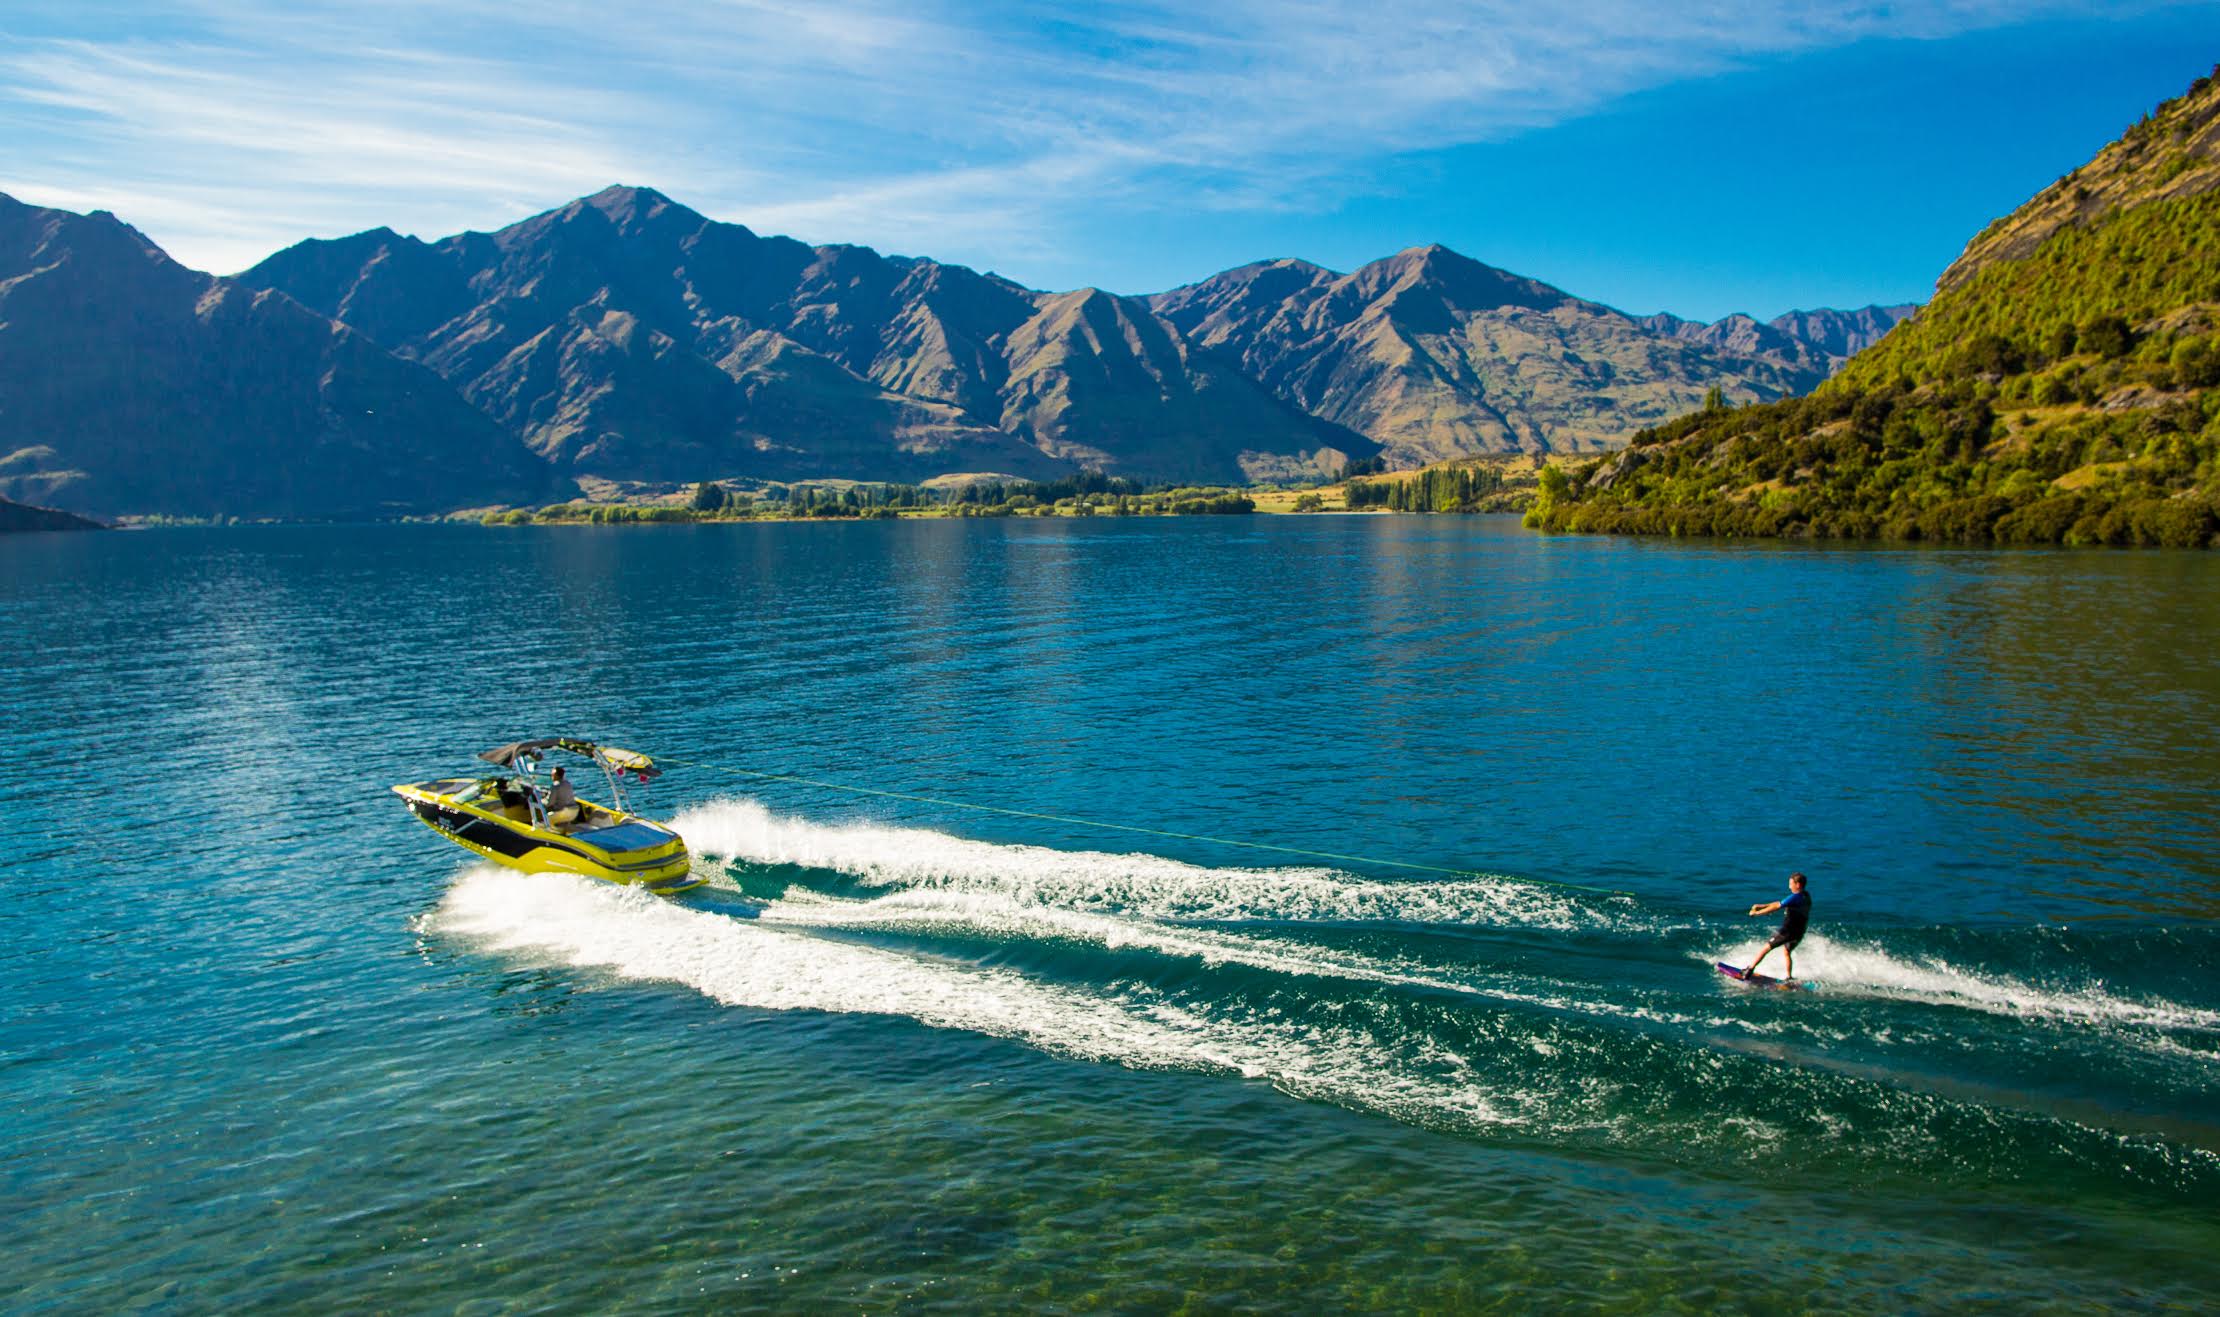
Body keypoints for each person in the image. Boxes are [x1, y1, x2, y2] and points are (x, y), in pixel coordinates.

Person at [1741, 872, 1811, 981]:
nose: (1789, 886)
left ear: (1798, 885)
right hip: (1799, 932)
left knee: (1766, 948)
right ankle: (1789, 977)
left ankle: (1749, 970)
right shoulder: (1805, 896)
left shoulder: (1795, 897)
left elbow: (1776, 907)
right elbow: (1779, 903)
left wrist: (1756, 913)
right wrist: (1761, 906)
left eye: (1791, 883)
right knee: (1787, 952)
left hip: (1787, 932)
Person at [545, 765, 581, 830]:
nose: (551, 775)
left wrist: (541, 800)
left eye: (553, 774)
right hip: (573, 813)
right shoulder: (568, 783)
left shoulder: (555, 786)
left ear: (557, 775)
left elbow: (549, 803)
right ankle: (563, 826)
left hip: (563, 813)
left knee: (545, 818)